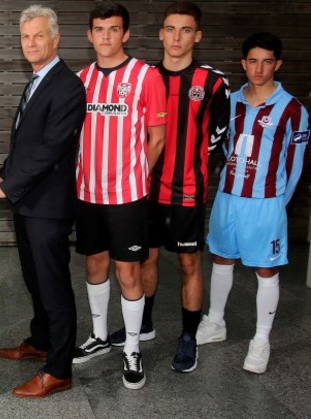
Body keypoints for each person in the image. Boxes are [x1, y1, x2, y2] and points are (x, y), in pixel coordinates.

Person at [105, 1, 230, 374]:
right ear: (160, 34)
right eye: (170, 29)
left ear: (198, 35)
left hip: (187, 188)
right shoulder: (144, 76)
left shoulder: (212, 82)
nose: (177, 38)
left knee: (190, 262)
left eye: (186, 30)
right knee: (147, 258)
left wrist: (197, 170)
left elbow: (219, 138)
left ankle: (189, 337)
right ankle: (144, 323)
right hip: (144, 188)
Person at [0, 5, 86, 398]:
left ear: (55, 39)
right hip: (27, 202)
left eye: (38, 35)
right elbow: (25, 146)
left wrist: (5, 187)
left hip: (48, 207)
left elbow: (52, 148)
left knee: (53, 287)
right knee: (34, 281)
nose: (31, 43)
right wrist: (1, 174)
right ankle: (40, 342)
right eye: (25, 37)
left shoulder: (67, 85)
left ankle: (59, 369)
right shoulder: (37, 80)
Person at [196, 32, 308, 374]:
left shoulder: (292, 110)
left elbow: (298, 164)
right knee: (221, 258)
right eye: (253, 61)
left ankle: (261, 339)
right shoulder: (230, 103)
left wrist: (277, 204)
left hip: (266, 203)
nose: (259, 69)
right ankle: (215, 322)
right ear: (244, 64)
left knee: (266, 268)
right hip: (229, 197)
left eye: (267, 61)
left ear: (278, 64)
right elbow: (219, 146)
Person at [71, 2, 167, 390]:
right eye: (99, 29)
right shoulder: (80, 79)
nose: (106, 36)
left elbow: (157, 138)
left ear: (125, 34)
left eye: (113, 29)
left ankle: (131, 347)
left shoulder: (146, 76)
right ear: (90, 35)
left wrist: (134, 175)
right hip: (87, 192)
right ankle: (97, 335)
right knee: (95, 264)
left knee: (128, 270)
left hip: (127, 194)